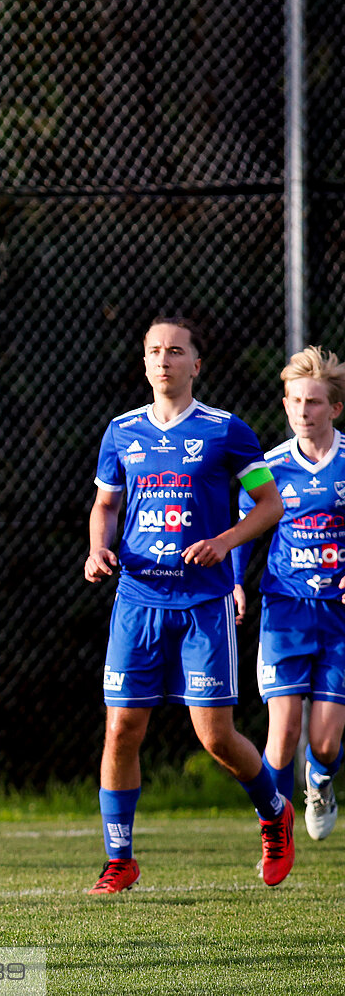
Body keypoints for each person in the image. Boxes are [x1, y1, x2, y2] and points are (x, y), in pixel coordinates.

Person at [84, 316, 288, 893]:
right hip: (137, 598)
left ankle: (274, 813)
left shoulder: (227, 431)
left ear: (196, 364)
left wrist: (224, 543)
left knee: (215, 737)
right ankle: (120, 859)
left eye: (176, 351)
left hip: (204, 601)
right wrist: (99, 549)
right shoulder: (121, 432)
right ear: (144, 362)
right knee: (121, 728)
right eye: (154, 351)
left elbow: (269, 505)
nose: (163, 360)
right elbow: (106, 506)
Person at [228, 346, 345, 841]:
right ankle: (275, 834)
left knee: (322, 742)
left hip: (337, 615)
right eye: (294, 400)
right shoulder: (269, 466)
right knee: (284, 733)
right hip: (286, 609)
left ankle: (319, 780)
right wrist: (234, 582)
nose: (303, 411)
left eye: (314, 402)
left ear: (335, 408)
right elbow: (243, 527)